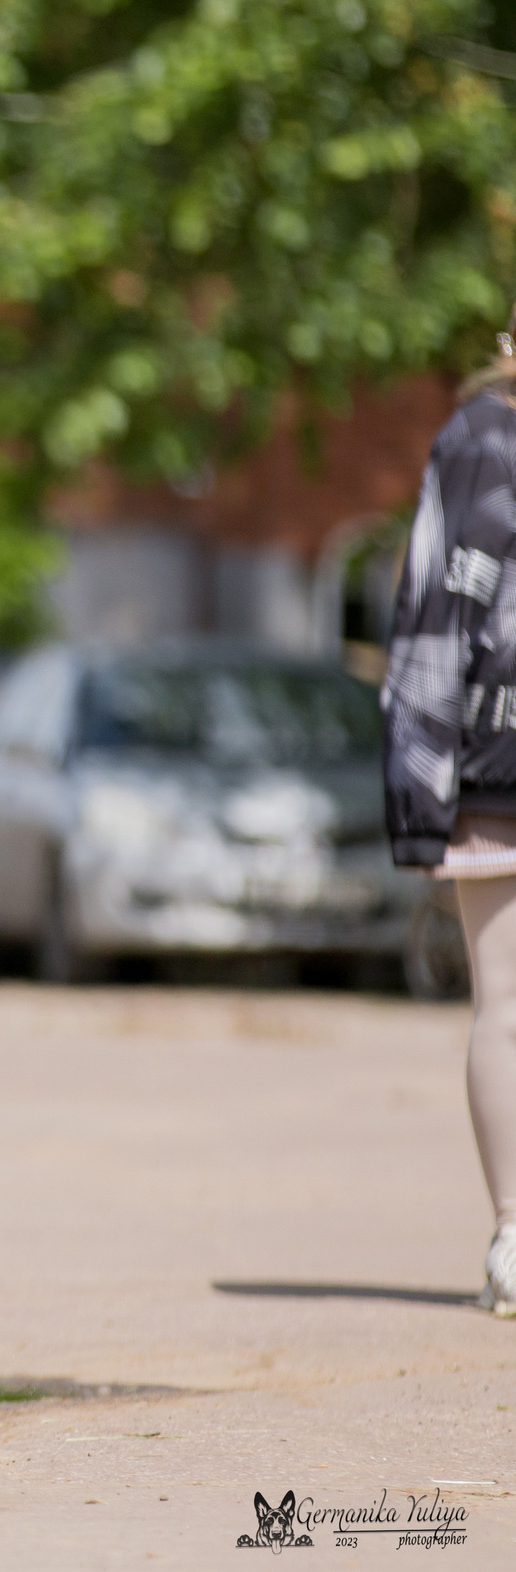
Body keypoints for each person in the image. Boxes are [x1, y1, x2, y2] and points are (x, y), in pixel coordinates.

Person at [382, 309, 516, 1317]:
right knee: (505, 1002)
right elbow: (432, 608)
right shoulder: (475, 439)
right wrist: (422, 776)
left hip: (488, 754)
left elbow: (430, 607)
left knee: (505, 1003)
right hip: (495, 757)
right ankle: (515, 1233)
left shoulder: (476, 438)